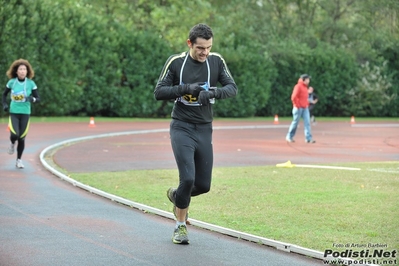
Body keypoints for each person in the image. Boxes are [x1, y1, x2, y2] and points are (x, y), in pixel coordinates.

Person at [154, 23, 238, 244]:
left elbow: (232, 87)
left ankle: (176, 196)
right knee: (188, 178)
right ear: (189, 43)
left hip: (204, 129)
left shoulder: (216, 61)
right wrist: (185, 89)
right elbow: (159, 92)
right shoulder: (176, 63)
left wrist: (213, 92)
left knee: (202, 185)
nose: (205, 52)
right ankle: (180, 227)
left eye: (208, 47)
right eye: (201, 48)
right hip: (181, 126)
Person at [2, 59, 40, 169]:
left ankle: (19, 160)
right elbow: (4, 95)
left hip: (25, 113)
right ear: (16, 71)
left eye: (24, 69)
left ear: (27, 72)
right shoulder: (11, 82)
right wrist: (4, 104)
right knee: (15, 135)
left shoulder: (31, 83)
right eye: (20, 69)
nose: (22, 71)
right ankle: (12, 143)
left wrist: (32, 99)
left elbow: (38, 99)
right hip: (14, 112)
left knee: (22, 138)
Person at [285, 74, 315, 143]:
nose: (309, 80)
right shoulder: (298, 86)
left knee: (307, 122)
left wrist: (306, 104)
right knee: (295, 122)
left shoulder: (305, 87)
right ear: (304, 79)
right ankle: (289, 136)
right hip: (298, 108)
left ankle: (308, 138)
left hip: (305, 108)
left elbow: (305, 98)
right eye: (308, 79)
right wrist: (297, 105)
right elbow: (293, 97)